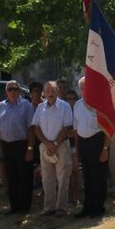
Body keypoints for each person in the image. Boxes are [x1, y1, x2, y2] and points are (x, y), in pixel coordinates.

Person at [31, 81, 74, 216]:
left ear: (57, 92)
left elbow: (67, 127)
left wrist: (55, 144)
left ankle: (61, 208)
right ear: (44, 93)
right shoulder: (40, 108)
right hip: (45, 146)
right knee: (47, 178)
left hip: (61, 145)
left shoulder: (65, 106)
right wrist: (47, 143)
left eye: (52, 91)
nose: (50, 94)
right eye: (47, 91)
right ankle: (49, 207)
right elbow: (36, 128)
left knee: (63, 177)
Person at [73, 77, 110, 218]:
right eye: (82, 87)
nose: (84, 90)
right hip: (84, 143)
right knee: (87, 176)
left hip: (98, 141)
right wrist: (77, 151)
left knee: (98, 176)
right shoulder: (77, 105)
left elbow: (107, 129)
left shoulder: (100, 104)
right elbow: (76, 130)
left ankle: (98, 207)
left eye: (86, 87)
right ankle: (87, 207)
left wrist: (105, 148)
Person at [0, 80, 35, 215]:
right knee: (11, 176)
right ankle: (14, 206)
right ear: (6, 91)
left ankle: (25, 207)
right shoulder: (1, 105)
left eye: (15, 89)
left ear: (19, 91)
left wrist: (29, 149)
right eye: (10, 89)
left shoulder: (26, 106)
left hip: (22, 145)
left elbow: (31, 129)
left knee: (24, 176)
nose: (12, 91)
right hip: (6, 145)